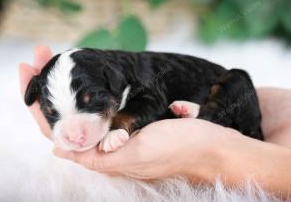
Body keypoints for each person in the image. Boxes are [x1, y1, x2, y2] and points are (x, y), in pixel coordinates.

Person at [19, 46, 291, 198]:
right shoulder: (110, 75)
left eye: (92, 102)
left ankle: (208, 115)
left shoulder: (133, 81)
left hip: (234, 106)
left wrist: (120, 125)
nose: (74, 133)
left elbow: (149, 104)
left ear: (113, 82)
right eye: (54, 113)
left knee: (238, 79)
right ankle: (200, 117)